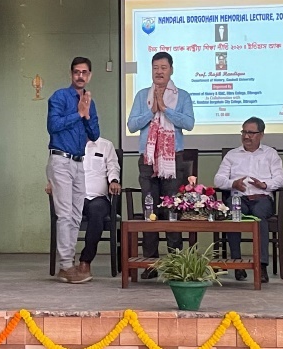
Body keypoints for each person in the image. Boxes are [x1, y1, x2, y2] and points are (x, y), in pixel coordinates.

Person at [127, 51, 195, 279]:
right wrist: (152, 111)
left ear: (171, 70)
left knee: (171, 211)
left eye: (163, 68)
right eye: (155, 67)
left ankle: (176, 265)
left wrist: (166, 109)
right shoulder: (142, 96)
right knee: (150, 210)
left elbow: (189, 123)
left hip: (173, 160)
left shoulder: (182, 96)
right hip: (148, 160)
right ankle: (151, 264)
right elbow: (132, 125)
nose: (159, 72)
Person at [46, 57, 100, 284]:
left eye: (84, 72)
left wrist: (86, 115)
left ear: (90, 76)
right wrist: (77, 114)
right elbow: (53, 126)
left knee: (77, 214)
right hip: (61, 160)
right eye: (77, 72)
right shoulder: (59, 97)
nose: (80, 76)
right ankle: (66, 265)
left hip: (79, 162)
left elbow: (95, 134)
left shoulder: (89, 102)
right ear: (71, 74)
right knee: (65, 214)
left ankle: (69, 264)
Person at [213, 116, 283, 283]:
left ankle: (261, 266)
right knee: (234, 214)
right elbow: (218, 180)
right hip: (239, 198)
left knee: (259, 215)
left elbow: (281, 179)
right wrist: (233, 183)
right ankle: (237, 263)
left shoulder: (270, 154)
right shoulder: (232, 155)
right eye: (244, 132)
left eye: (251, 133)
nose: (246, 136)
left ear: (261, 134)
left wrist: (264, 185)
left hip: (262, 198)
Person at [45, 137, 121, 281]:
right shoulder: (67, 145)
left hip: (98, 198)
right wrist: (52, 182)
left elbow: (113, 167)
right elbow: (57, 168)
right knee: (66, 214)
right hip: (74, 197)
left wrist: (114, 181)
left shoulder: (105, 145)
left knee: (96, 212)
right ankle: (67, 262)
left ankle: (85, 261)